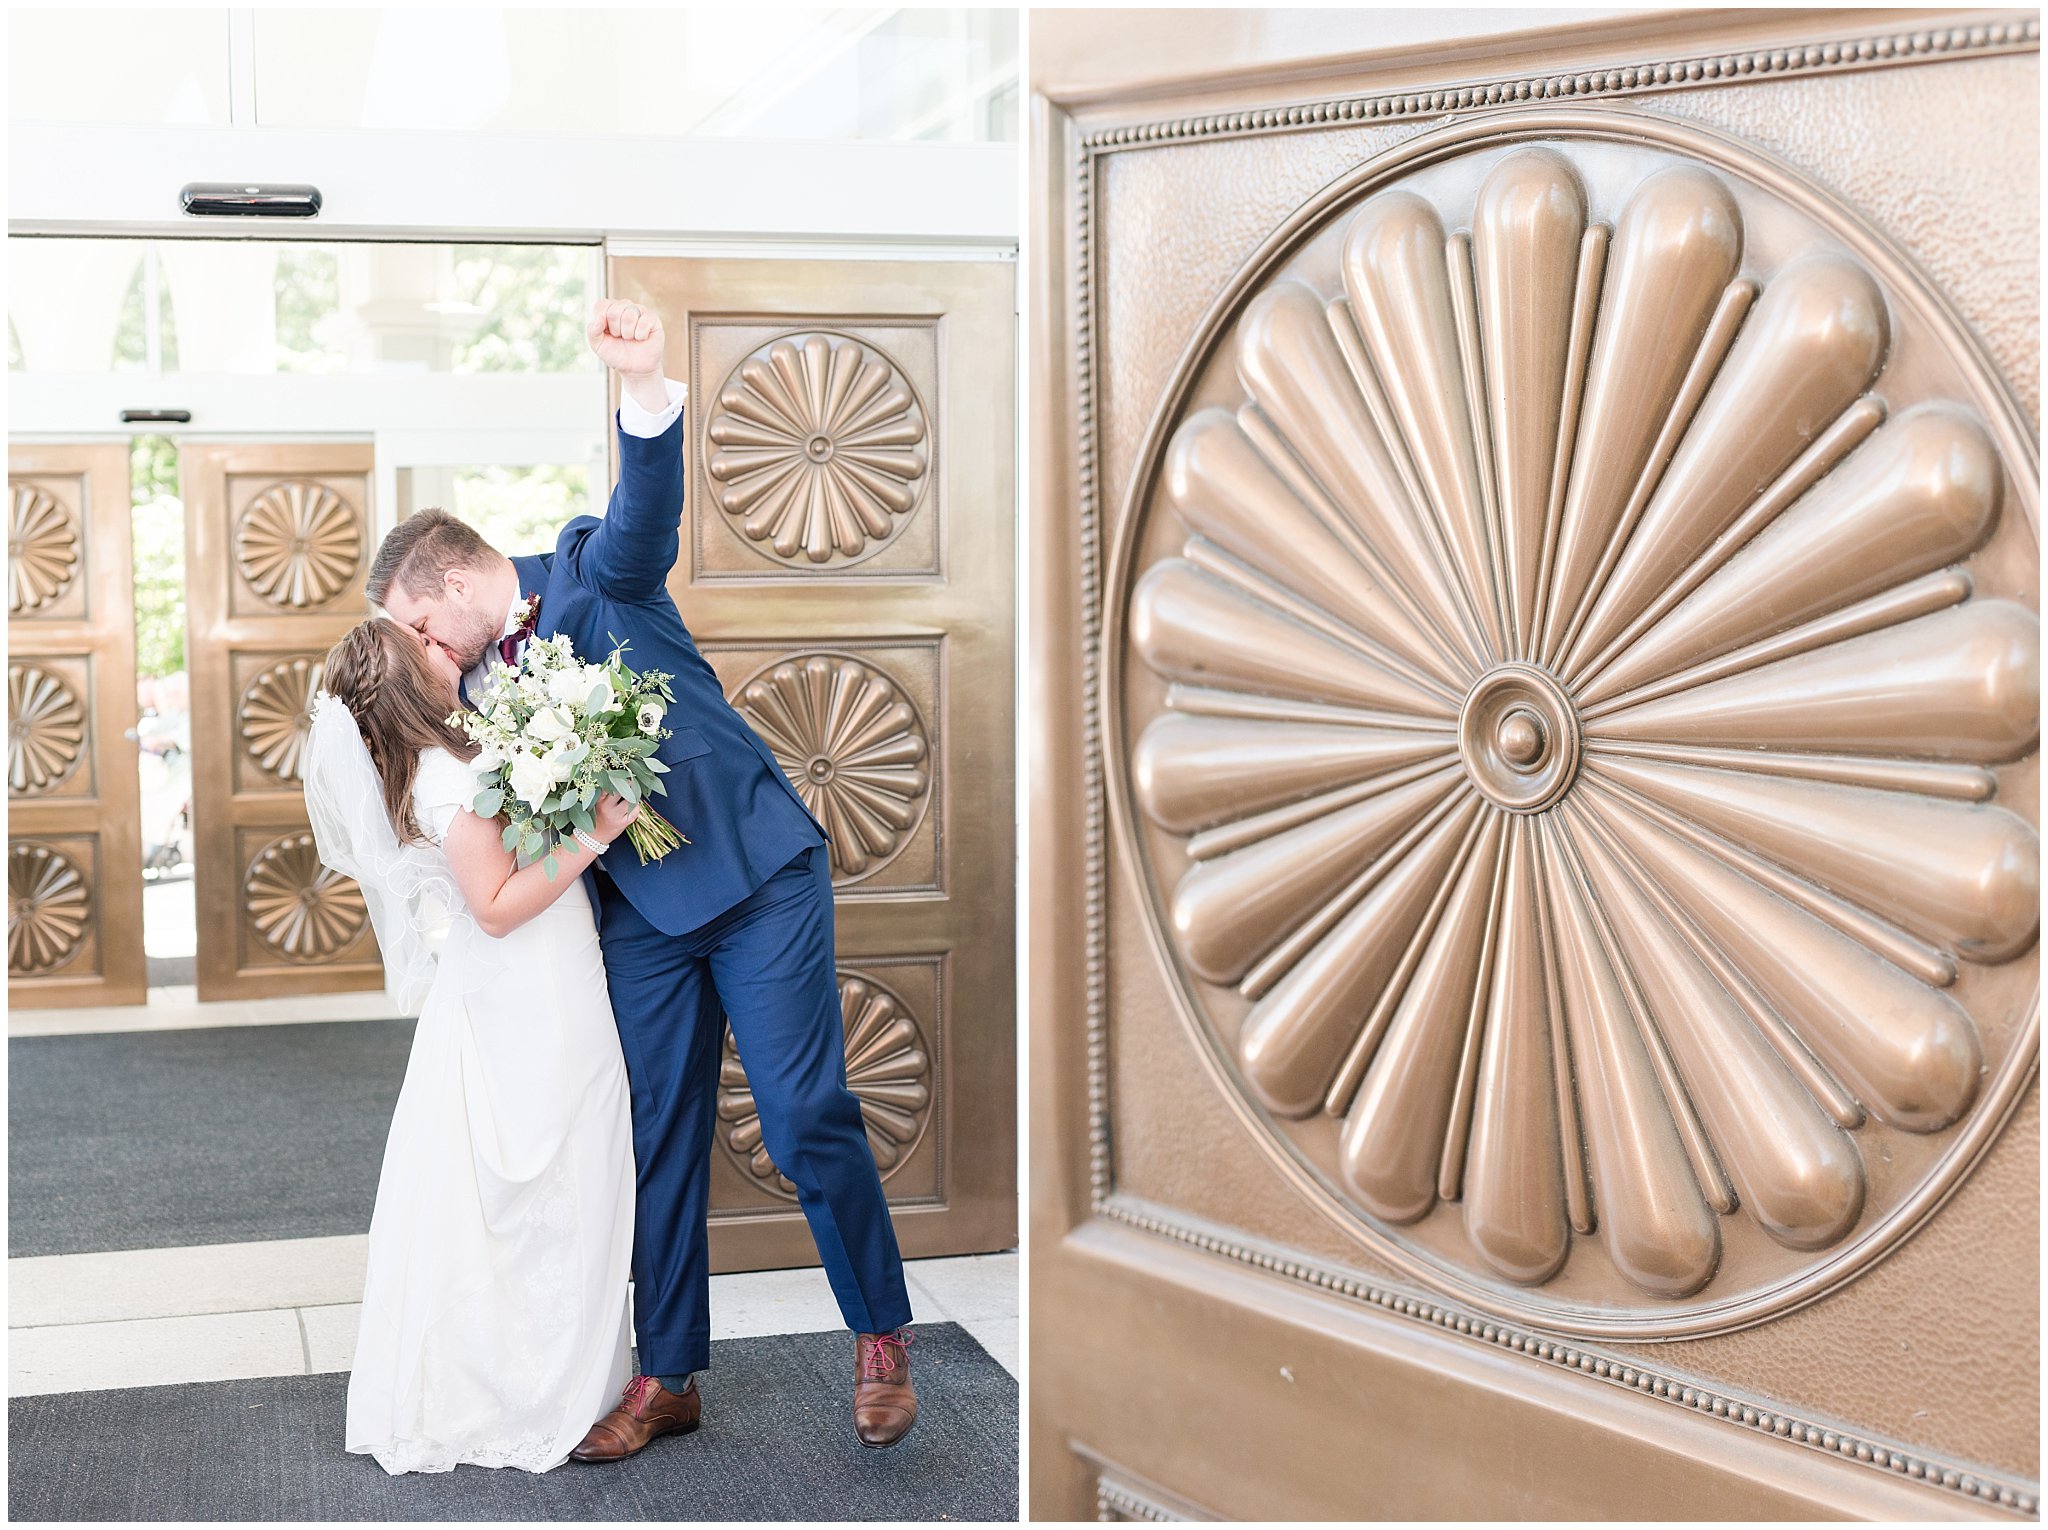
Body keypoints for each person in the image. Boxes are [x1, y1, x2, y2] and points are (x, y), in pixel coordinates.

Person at [364, 296, 917, 1459]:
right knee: (655, 1131)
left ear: (453, 579)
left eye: (421, 621)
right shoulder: (456, 686)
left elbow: (643, 520)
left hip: (754, 873)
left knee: (801, 1109)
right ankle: (668, 1373)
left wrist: (647, 391)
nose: (428, 649)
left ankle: (878, 1332)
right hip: (632, 913)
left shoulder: (585, 573)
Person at [306, 617, 645, 1474]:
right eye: (419, 643)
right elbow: (494, 906)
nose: (438, 642)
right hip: (529, 984)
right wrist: (594, 833)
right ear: (408, 681)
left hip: (533, 975)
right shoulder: (445, 775)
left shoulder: (452, 756)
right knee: (556, 1161)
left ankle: (558, 1366)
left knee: (546, 1161)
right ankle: (528, 1385)